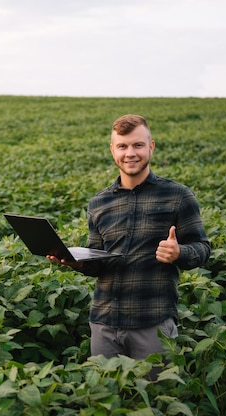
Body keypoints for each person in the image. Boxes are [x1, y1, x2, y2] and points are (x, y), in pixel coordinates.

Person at [47, 114, 210, 373]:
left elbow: (202, 247)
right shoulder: (99, 203)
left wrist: (180, 252)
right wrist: (74, 262)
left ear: (151, 147)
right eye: (122, 146)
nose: (130, 153)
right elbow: (98, 262)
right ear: (113, 150)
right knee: (107, 401)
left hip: (152, 324)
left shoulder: (178, 196)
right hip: (104, 324)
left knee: (155, 402)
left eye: (137, 145)